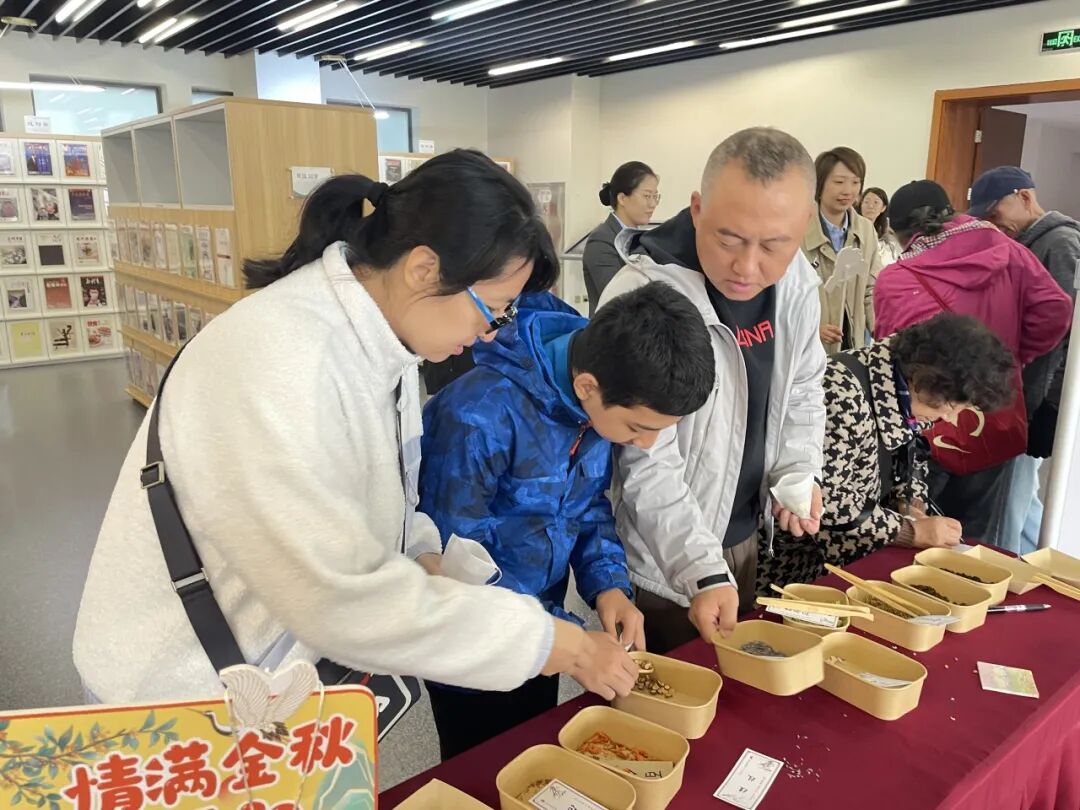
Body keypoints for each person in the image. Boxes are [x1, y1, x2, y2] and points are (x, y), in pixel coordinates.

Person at [72, 150, 637, 706]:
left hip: (268, 675)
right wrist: (556, 644)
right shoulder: (282, 361)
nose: (492, 331)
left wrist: (424, 557)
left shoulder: (385, 343)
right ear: (423, 269)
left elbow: (392, 493)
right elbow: (335, 598)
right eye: (493, 307)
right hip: (177, 691)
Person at [418, 281, 715, 759]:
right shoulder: (478, 415)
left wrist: (608, 585)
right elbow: (453, 560)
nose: (646, 445)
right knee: (483, 765)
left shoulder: (592, 395)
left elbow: (588, 504)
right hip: (476, 643)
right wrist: (570, 640)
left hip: (549, 630)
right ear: (586, 387)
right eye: (639, 428)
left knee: (536, 747)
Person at [597, 127, 827, 654]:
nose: (747, 267)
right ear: (697, 209)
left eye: (774, 245)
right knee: (668, 691)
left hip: (745, 533)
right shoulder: (644, 296)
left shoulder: (796, 284)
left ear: (803, 226)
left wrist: (797, 470)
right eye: (728, 239)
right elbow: (643, 458)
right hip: (666, 553)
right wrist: (700, 568)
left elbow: (802, 387)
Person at [873, 179, 1072, 542]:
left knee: (918, 531)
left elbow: (891, 362)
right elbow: (1056, 310)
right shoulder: (1008, 251)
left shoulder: (898, 279)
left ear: (901, 235)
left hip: (928, 424)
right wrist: (1010, 363)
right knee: (979, 540)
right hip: (995, 411)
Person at [758, 314, 1016, 591]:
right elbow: (827, 500)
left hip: (847, 556)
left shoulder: (905, 386)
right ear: (925, 379)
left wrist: (911, 505)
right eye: (951, 407)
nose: (951, 419)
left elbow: (911, 456)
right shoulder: (841, 391)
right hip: (794, 563)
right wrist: (911, 531)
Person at [969, 166, 1080, 554]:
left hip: (1034, 396)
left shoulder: (1059, 244)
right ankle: (1044, 560)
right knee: (1023, 497)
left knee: (1009, 499)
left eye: (995, 212)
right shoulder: (1029, 243)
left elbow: (1063, 337)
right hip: (1021, 390)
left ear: (1025, 197)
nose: (993, 223)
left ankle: (1000, 572)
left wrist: (1039, 405)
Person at [801, 147, 881, 354]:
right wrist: (810, 329)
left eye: (855, 182)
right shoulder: (798, 228)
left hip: (854, 345)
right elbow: (785, 295)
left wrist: (880, 330)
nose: (848, 191)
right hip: (809, 350)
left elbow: (871, 289)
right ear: (819, 184)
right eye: (839, 182)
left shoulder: (866, 230)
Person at [583, 161, 659, 314]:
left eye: (655, 196)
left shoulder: (642, 239)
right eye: (647, 196)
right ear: (622, 198)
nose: (653, 204)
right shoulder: (601, 240)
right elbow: (618, 298)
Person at [860, 187, 903, 267]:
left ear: (883, 208)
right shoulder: (853, 228)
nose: (870, 206)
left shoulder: (888, 235)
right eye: (866, 202)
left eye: (876, 202)